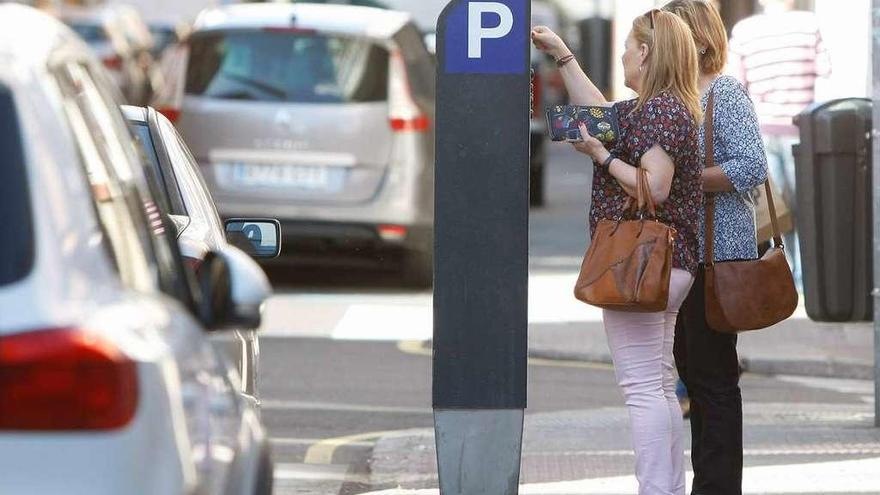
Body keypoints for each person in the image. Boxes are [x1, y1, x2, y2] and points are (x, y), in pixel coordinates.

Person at [533, 10, 702, 494]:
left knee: (643, 387)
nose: (624, 55)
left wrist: (603, 159)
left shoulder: (660, 111)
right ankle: (667, 486)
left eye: (628, 47)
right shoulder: (653, 108)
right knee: (658, 382)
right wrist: (563, 55)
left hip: (642, 262)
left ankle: (656, 488)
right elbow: (598, 114)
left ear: (645, 54)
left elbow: (656, 187)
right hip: (665, 264)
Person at [662, 2, 769, 494]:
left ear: (700, 41)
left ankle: (718, 486)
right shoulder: (667, 95)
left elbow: (750, 166)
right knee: (692, 377)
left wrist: (682, 182)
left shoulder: (724, 94)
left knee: (713, 380)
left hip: (717, 257)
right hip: (680, 257)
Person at [728, 0, 831, 291]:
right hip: (802, 131)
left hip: (762, 131)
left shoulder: (745, 31)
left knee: (774, 212)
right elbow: (825, 72)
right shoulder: (810, 27)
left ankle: (781, 271)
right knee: (805, 206)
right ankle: (805, 277)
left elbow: (737, 86)